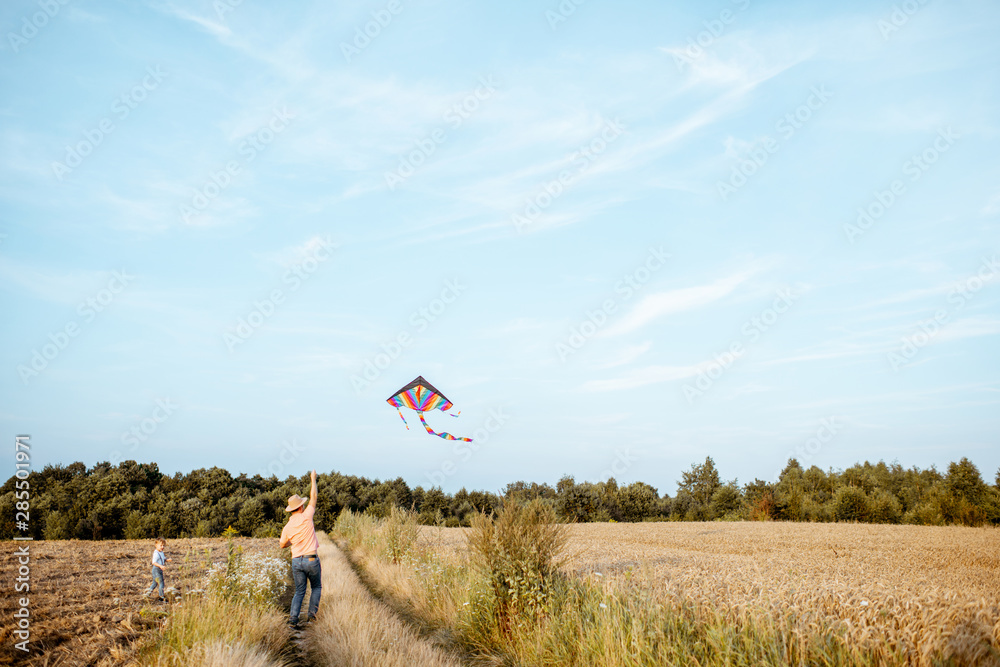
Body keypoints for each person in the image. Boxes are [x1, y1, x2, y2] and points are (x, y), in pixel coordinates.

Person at [279, 469, 321, 628]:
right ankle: (311, 617)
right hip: (311, 559)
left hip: (296, 561)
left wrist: (292, 542)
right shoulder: (307, 516)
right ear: (301, 507)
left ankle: (293, 620)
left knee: (299, 591)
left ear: (291, 510)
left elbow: (282, 544)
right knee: (316, 587)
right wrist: (313, 479)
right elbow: (314, 497)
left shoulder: (288, 526)